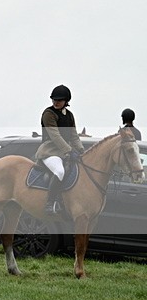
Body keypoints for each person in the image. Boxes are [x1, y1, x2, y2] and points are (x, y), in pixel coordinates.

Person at [35, 84, 84, 215]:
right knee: (60, 171)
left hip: (63, 152)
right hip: (49, 151)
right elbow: (55, 136)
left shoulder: (69, 115)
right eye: (54, 100)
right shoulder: (48, 114)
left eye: (59, 100)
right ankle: (49, 203)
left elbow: (74, 135)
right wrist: (69, 151)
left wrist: (80, 150)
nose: (56, 102)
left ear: (66, 101)